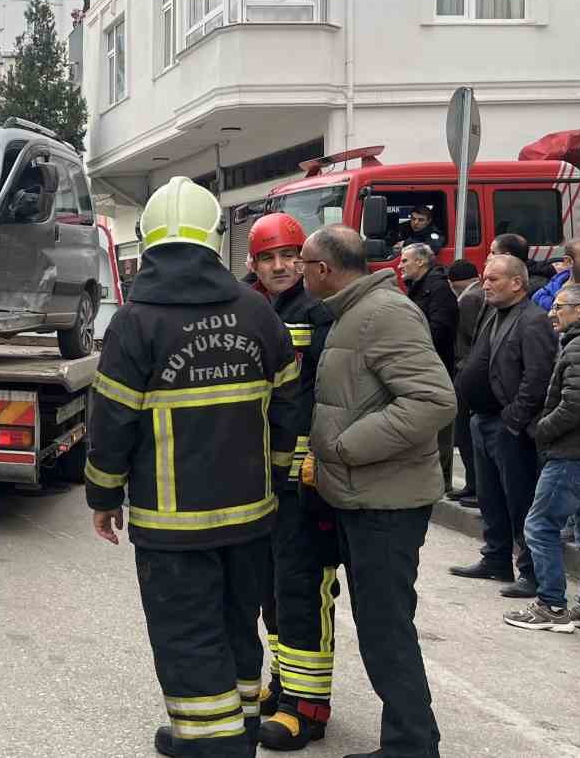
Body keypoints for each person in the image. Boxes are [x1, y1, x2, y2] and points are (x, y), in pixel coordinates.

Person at [85, 178, 297, 758]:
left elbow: (112, 423)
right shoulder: (258, 312)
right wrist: (276, 478)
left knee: (187, 636)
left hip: (173, 525)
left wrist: (103, 497)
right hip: (251, 516)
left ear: (149, 240)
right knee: (235, 626)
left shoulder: (136, 323)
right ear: (213, 237)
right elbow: (288, 408)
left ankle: (213, 745)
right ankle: (236, 732)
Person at [300, 225, 455, 758]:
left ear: (324, 269)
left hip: (385, 502)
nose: (298, 273)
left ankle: (412, 746)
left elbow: (433, 400)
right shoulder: (354, 311)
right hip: (362, 497)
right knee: (380, 624)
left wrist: (345, 447)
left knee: (387, 628)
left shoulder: (383, 313)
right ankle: (410, 741)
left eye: (303, 264)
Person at [240, 214, 338, 752]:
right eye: (269, 258)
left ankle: (308, 707)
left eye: (289, 256)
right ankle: (285, 689)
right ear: (253, 263)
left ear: (306, 259)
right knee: (273, 593)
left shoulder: (320, 313)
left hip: (309, 482)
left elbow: (330, 395)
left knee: (304, 590)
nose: (280, 266)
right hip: (269, 481)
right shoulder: (256, 310)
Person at [503, 285, 580, 635]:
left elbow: (576, 402)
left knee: (540, 526)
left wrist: (541, 430)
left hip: (575, 454)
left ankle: (551, 606)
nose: (552, 313)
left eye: (560, 307)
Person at [450, 255, 557, 600]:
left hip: (509, 424)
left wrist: (514, 418)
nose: (485, 284)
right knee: (489, 495)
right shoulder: (493, 312)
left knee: (519, 498)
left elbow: (538, 376)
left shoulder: (533, 320)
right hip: (482, 419)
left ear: (517, 283)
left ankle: (531, 571)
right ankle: (496, 558)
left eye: (493, 279)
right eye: (484, 278)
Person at [400, 243, 459, 491]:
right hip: (418, 368)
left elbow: (440, 330)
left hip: (436, 368)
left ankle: (440, 479)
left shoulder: (437, 290)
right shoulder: (417, 289)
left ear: (421, 262)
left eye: (405, 260)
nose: (399, 265)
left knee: (439, 429)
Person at [446, 259, 483, 505]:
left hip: (466, 370)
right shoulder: (477, 295)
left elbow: (471, 337)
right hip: (468, 369)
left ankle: (474, 486)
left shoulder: (470, 299)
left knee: (466, 433)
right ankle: (473, 485)